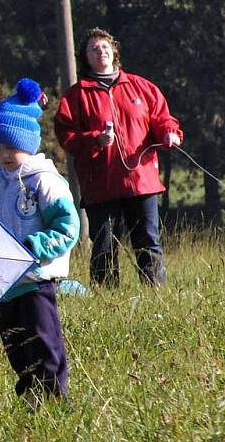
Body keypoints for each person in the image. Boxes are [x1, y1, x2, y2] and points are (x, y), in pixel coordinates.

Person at [0, 78, 80, 408]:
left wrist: (34, 246)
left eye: (10, 146)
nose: (3, 154)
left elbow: (67, 228)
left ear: (28, 143)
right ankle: (31, 401)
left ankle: (56, 400)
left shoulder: (46, 183)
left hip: (36, 282)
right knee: (17, 349)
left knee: (45, 345)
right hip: (4, 287)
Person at [54, 27, 183, 288]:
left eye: (104, 47)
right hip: (101, 184)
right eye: (93, 49)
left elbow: (162, 118)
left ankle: (156, 294)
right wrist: (95, 140)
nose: (100, 51)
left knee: (148, 242)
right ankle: (107, 300)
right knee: (104, 245)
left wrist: (169, 133)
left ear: (114, 51)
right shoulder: (76, 96)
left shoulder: (142, 86)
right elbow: (66, 136)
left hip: (141, 181)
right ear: (85, 58)